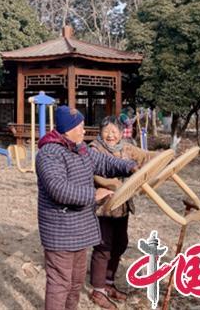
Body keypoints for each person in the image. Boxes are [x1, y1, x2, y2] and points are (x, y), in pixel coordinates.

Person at [36, 105, 138, 310]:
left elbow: (103, 162)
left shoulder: (81, 149)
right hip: (60, 230)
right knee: (60, 283)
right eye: (80, 127)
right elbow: (59, 189)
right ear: (68, 129)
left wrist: (129, 166)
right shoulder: (49, 154)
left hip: (79, 229)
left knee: (75, 282)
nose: (84, 131)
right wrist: (93, 194)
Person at [89, 116, 157, 309]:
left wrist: (167, 155)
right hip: (104, 206)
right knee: (103, 246)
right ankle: (98, 290)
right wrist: (111, 183)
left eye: (114, 131)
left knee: (120, 244)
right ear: (100, 132)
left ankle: (109, 283)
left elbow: (146, 156)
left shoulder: (127, 148)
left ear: (121, 133)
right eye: (106, 131)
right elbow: (94, 173)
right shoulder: (95, 149)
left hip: (123, 205)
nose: (110, 135)